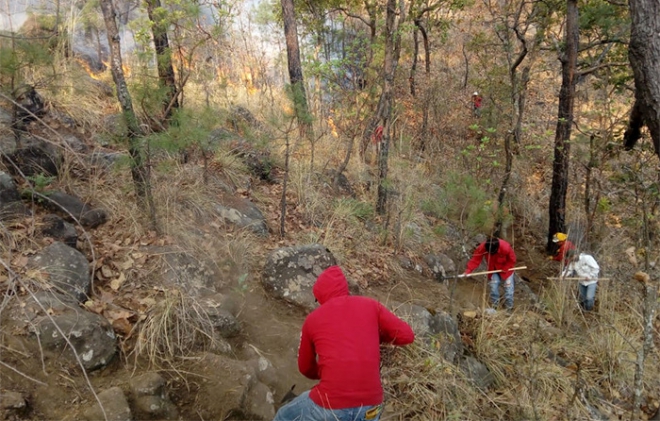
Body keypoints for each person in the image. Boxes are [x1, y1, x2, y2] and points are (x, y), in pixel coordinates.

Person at [273, 265, 415, 421]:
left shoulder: (313, 319)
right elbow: (407, 335)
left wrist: (325, 372)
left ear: (320, 295)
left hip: (330, 403)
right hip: (372, 406)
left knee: (283, 416)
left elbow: (305, 368)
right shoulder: (371, 305)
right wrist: (376, 337)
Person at [464, 237, 517, 311]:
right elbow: (475, 259)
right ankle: (495, 307)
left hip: (507, 270)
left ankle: (509, 309)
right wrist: (468, 270)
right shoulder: (482, 247)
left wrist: (505, 268)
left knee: (508, 290)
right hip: (493, 270)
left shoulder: (505, 247)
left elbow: (512, 259)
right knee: (493, 287)